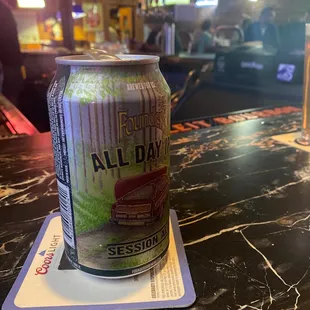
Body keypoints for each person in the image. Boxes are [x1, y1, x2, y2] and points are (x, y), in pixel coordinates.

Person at [0, 1, 23, 106]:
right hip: (10, 67)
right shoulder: (4, 8)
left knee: (9, 106)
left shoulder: (3, 9)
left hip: (9, 68)